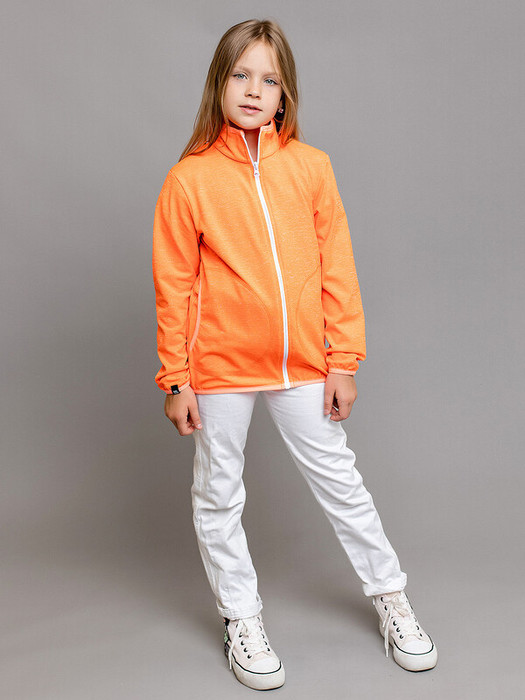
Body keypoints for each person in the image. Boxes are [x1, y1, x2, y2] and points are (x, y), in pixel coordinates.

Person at [152, 17, 437, 691]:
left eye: (269, 80)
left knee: (341, 483)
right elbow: (174, 284)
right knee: (218, 493)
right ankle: (241, 618)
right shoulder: (189, 179)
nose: (254, 90)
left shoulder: (312, 169)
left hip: (302, 364)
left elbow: (337, 268)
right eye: (241, 75)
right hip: (219, 369)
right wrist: (176, 379)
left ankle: (391, 599)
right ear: (219, 84)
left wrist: (344, 361)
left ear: (285, 95)